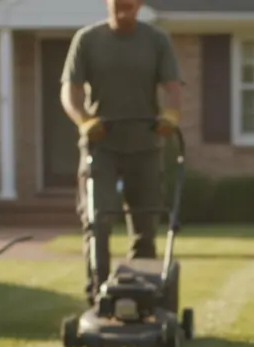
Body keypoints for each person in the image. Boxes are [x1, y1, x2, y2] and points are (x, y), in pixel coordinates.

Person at [60, 0, 183, 303]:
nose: (124, 7)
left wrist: (171, 117)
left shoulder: (156, 41)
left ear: (140, 4)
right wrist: (84, 120)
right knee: (97, 220)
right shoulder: (87, 40)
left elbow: (174, 88)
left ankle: (141, 296)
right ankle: (97, 295)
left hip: (145, 147)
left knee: (145, 225)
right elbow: (70, 91)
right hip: (100, 148)